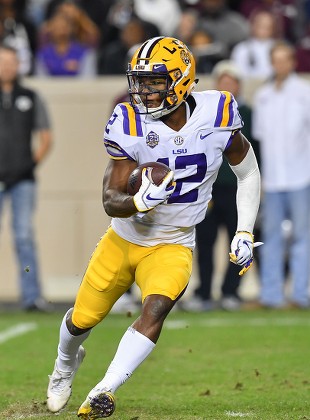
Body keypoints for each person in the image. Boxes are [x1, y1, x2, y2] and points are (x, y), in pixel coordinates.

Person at [46, 36, 261, 418]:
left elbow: (247, 172)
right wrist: (137, 202)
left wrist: (244, 230)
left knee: (157, 307)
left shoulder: (218, 111)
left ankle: (104, 389)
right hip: (124, 238)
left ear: (181, 79)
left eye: (154, 82)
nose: (144, 90)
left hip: (174, 242)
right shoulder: (129, 120)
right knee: (82, 319)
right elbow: (110, 198)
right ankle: (64, 365)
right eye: (140, 81)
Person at [181, 59, 260, 312]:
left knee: (241, 238)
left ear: (238, 85)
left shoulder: (248, 113)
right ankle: (203, 292)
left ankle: (231, 292)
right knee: (204, 241)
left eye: (231, 81)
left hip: (237, 186)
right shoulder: (203, 113)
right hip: (209, 187)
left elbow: (253, 156)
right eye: (222, 81)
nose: (226, 85)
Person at [252, 41, 310, 308]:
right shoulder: (263, 96)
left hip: (301, 177)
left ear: (292, 62)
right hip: (273, 180)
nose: (281, 64)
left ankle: (301, 293)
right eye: (276, 60)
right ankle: (271, 295)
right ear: (272, 63)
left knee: (302, 236)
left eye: (285, 59)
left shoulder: (304, 92)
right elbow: (260, 139)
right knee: (271, 238)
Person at [0, 44, 53, 311]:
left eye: (12, 61)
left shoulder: (31, 96)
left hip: (23, 181)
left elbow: (46, 137)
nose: (7, 66)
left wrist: (27, 164)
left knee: (23, 237)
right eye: (2, 61)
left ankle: (32, 297)